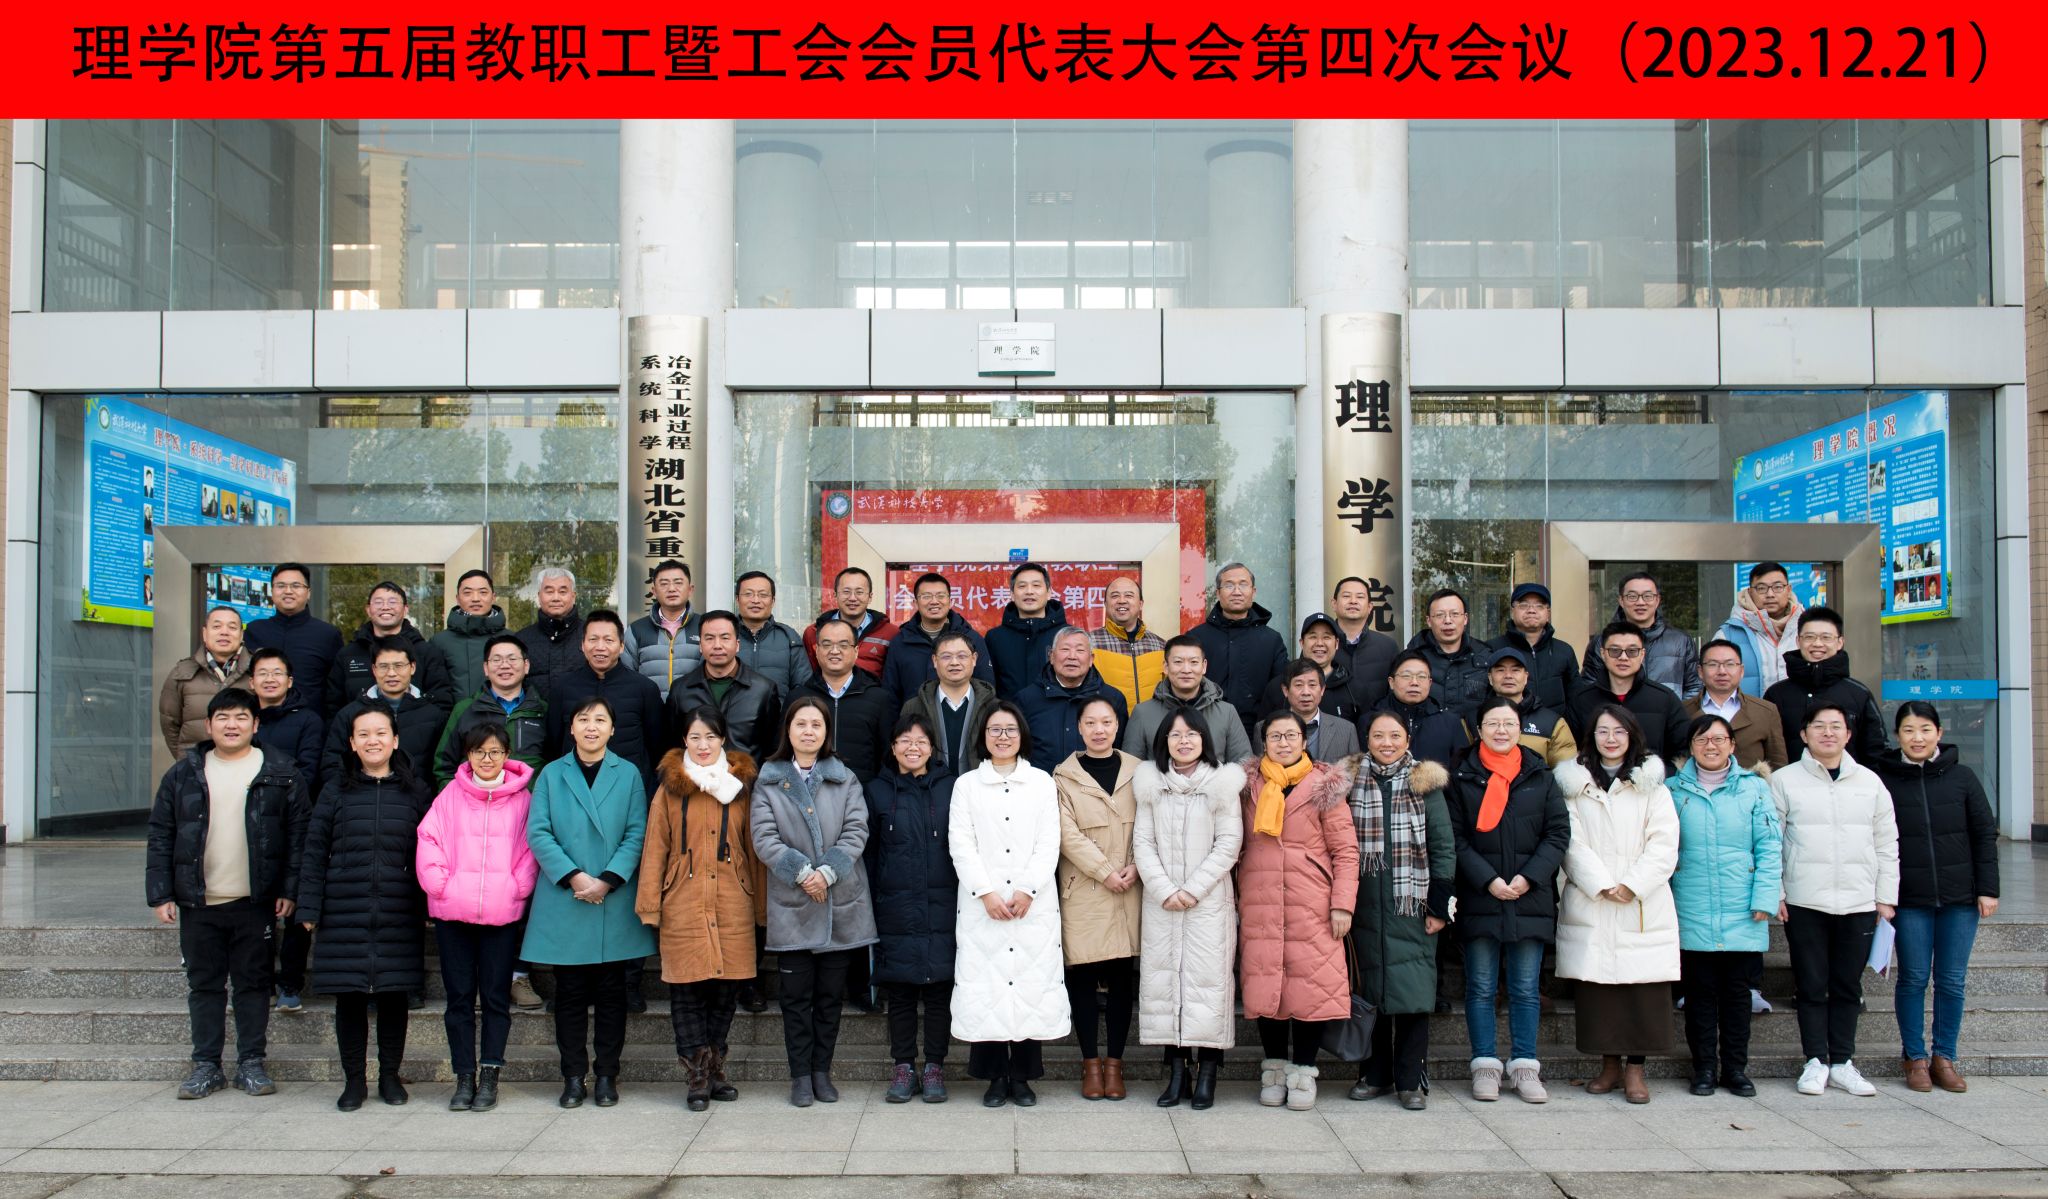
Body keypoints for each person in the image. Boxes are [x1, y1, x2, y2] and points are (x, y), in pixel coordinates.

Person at [146, 687, 307, 1101]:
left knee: (253, 984)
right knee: (204, 984)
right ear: (208, 724)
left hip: (256, 901)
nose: (231, 725)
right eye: (222, 717)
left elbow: (297, 838)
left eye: (240, 718)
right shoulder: (184, 773)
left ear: (256, 724)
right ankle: (206, 1065)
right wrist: (161, 893)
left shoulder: (281, 771)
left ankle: (252, 1062)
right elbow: (162, 834)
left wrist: (289, 889)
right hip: (198, 901)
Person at [523, 696, 657, 1109]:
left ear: (613, 729)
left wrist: (608, 880)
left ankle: (607, 1076)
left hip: (612, 897)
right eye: (584, 719)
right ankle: (573, 1076)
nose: (592, 727)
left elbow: (637, 831)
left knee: (613, 995)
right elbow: (539, 832)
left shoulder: (628, 773)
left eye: (600, 719)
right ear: (571, 727)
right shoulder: (551, 774)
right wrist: (575, 876)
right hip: (567, 894)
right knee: (569, 994)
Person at [298, 702, 431, 1111]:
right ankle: (354, 1081)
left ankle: (390, 1076)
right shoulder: (335, 791)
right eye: (363, 735)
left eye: (380, 733)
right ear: (352, 744)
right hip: (344, 908)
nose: (373, 741)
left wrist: (430, 904)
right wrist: (309, 907)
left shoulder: (416, 791)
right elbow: (314, 850)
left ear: (395, 740)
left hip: (398, 908)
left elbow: (432, 851)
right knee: (350, 999)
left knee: (394, 997)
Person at [636, 707, 763, 1111]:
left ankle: (716, 1067)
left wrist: (761, 906)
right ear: (684, 741)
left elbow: (754, 849)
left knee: (726, 989)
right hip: (683, 899)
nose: (703, 745)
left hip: (732, 898)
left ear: (723, 739)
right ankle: (697, 1073)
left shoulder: (742, 787)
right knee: (687, 989)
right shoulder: (670, 789)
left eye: (710, 737)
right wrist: (650, 904)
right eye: (695, 737)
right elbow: (655, 846)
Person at [753, 696, 877, 1107]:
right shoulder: (769, 779)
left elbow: (857, 829)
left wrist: (827, 873)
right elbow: (764, 837)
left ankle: (822, 1071)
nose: (808, 731)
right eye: (801, 724)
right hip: (793, 902)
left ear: (826, 732)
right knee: (795, 999)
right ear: (787, 731)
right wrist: (803, 873)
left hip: (839, 900)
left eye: (816, 725)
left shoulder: (845, 778)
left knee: (829, 998)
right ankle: (800, 1076)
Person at [1554, 705, 1681, 1105]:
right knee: (1599, 991)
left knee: (1643, 990)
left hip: (1641, 900)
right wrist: (1602, 883)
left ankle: (1635, 1070)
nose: (1611, 739)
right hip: (1592, 896)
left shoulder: (1653, 788)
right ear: (1591, 737)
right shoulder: (1574, 785)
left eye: (1619, 732)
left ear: (1632, 736)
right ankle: (1608, 1065)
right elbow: (1569, 841)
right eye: (1603, 731)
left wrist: (1631, 884)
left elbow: (1664, 844)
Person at [1772, 702, 1899, 1098]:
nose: (1828, 733)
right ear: (1803, 734)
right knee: (1811, 984)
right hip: (1804, 900)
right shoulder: (1783, 780)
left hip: (1859, 901)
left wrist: (1885, 898)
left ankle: (1842, 1062)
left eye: (1836, 726)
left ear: (1848, 734)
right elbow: (1771, 842)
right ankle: (1815, 1061)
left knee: (1847, 985)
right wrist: (1776, 892)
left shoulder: (1870, 782)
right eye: (1819, 726)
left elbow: (1887, 843)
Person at [1446, 696, 1569, 1104]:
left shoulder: (1541, 776)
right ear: (1479, 730)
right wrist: (1488, 880)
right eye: (1493, 723)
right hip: (1481, 894)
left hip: (1529, 896)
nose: (1501, 730)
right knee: (1481, 987)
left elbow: (1557, 834)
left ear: (1520, 730)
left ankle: (1525, 1066)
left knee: (1525, 988)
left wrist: (1528, 877)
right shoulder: (1462, 777)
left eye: (1509, 724)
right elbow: (1455, 838)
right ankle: (1484, 1065)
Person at [1873, 702, 1999, 1094]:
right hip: (1909, 898)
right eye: (1909, 730)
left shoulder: (1962, 777)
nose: (1917, 738)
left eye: (1925, 730)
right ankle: (1915, 1057)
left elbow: (1984, 833)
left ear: (1939, 734)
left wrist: (1988, 888)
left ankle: (1944, 1057)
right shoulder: (1883, 780)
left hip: (1960, 899)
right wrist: (1882, 894)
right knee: (1913, 977)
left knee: (1951, 980)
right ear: (1897, 736)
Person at [949, 701, 1070, 1108]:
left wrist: (1028, 889)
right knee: (988, 989)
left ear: (1022, 736)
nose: (1003, 737)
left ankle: (1022, 1076)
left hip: (1030, 904)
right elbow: (961, 843)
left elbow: (1049, 840)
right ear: (982, 736)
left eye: (1010, 730)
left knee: (1028, 987)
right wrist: (985, 892)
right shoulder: (967, 785)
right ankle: (994, 1077)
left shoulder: (1041, 782)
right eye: (995, 730)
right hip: (982, 904)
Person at [1236, 710, 1357, 1110]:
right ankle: (1272, 1069)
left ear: (1305, 742)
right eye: (1275, 736)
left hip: (1312, 902)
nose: (1283, 743)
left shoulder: (1324, 786)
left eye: (1291, 735)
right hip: (1261, 900)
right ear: (1264, 743)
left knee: (1310, 988)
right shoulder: (1248, 786)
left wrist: (1342, 904)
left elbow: (1345, 851)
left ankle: (1304, 1071)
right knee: (1266, 983)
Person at [416, 722, 537, 1114]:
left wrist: (518, 886)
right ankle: (464, 1076)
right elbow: (428, 838)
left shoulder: (522, 799)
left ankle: (490, 1074)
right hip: (453, 913)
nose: (487, 759)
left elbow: (532, 847)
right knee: (459, 999)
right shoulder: (450, 795)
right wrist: (440, 886)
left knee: (497, 998)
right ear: (468, 755)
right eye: (479, 752)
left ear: (507, 755)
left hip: (502, 914)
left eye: (495, 752)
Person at [1132, 710, 1244, 1110]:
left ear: (1204, 740)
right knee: (1166, 985)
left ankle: (1208, 1072)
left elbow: (1229, 844)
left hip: (1207, 903)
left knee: (1207, 986)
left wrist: (1193, 890)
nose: (1184, 741)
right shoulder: (1151, 784)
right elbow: (1142, 843)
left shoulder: (1221, 784)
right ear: (1164, 741)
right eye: (1176, 734)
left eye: (1192, 734)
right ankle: (1177, 1073)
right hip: (1161, 903)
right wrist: (1165, 889)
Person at [1345, 711, 1453, 1110]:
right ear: (1367, 740)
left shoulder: (1425, 784)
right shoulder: (1351, 782)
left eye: (1395, 736)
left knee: (1413, 993)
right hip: (1364, 905)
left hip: (1412, 903)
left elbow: (1443, 846)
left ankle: (1410, 1080)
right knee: (1370, 993)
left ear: (1407, 740)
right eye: (1378, 736)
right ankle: (1375, 1075)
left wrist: (1439, 905)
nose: (1386, 743)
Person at [1669, 714, 1781, 1098]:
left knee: (1737, 994)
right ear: (1691, 747)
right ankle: (1703, 1068)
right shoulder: (1673, 790)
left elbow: (1769, 845)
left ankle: (1735, 1069)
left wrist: (1765, 897)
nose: (1711, 746)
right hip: (1691, 903)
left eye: (1719, 739)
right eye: (1702, 739)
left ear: (1733, 745)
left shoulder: (1754, 788)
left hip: (1742, 906)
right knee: (1699, 994)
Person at [864, 713, 959, 1104]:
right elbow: (870, 854)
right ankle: (903, 1066)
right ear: (893, 747)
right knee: (901, 991)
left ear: (932, 748)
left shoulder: (952, 787)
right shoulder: (877, 791)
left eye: (921, 740)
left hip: (944, 904)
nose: (913, 747)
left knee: (939, 990)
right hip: (895, 906)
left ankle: (934, 1066)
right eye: (905, 740)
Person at [1052, 697, 1142, 1101]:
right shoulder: (1063, 777)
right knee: (1083, 979)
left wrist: (1137, 865)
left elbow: (1149, 824)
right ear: (1079, 728)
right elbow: (1065, 833)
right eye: (1091, 723)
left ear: (1117, 726)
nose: (1099, 730)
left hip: (1131, 886)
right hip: (1086, 889)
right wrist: (1105, 870)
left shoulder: (1139, 772)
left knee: (1123, 979)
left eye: (1106, 722)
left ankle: (1115, 1065)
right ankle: (1090, 1064)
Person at [547, 610, 667, 798]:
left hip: (628, 792)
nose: (600, 647)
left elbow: (657, 747)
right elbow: (553, 744)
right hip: (574, 789)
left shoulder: (644, 689)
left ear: (621, 646)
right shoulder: (563, 687)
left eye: (609, 640)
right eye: (593, 639)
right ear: (582, 645)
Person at [1763, 606, 1887, 765]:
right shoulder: (1776, 694)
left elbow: (1876, 751)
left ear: (1840, 642)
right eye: (1809, 637)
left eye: (1826, 637)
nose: (1817, 643)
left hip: (1847, 780)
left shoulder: (1858, 694)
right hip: (1789, 780)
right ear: (1798, 641)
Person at [321, 637, 450, 786]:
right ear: (374, 669)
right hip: (362, 796)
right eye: (383, 666)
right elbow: (332, 765)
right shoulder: (350, 714)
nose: (391, 673)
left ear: (412, 667)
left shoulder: (434, 715)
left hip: (419, 797)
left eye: (399, 665)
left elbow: (443, 767)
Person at [1186, 562, 1289, 741]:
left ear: (1253, 591)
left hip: (1257, 734)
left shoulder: (1271, 640)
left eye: (1243, 584)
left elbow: (1280, 692)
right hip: (1204, 731)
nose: (1236, 591)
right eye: (1229, 585)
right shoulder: (1197, 638)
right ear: (1218, 593)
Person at [668, 609, 785, 763]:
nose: (717, 645)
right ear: (700, 645)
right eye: (709, 638)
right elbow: (672, 746)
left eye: (725, 638)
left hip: (747, 777)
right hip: (695, 777)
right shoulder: (681, 690)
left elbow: (772, 748)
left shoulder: (763, 690)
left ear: (737, 645)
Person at [1569, 621, 1691, 766]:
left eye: (1632, 651)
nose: (1623, 657)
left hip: (1650, 779)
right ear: (1603, 653)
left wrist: (1661, 777)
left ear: (1642, 654)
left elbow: (1682, 751)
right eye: (1615, 651)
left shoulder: (1665, 699)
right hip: (1595, 779)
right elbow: (1571, 752)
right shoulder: (1581, 700)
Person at [435, 633, 549, 787]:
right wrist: (455, 797)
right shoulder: (465, 709)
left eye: (512, 659)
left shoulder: (543, 711)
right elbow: (444, 766)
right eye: (496, 660)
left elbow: (555, 763)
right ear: (485, 668)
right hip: (475, 800)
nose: (505, 665)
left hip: (531, 800)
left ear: (526, 665)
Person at [794, 616, 896, 783]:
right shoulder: (798, 698)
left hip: (863, 793)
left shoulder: (879, 699)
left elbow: (888, 756)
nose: (835, 651)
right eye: (827, 644)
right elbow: (783, 751)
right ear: (816, 650)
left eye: (843, 645)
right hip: (808, 792)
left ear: (856, 651)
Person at [1122, 635, 1254, 764]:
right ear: (1166, 667)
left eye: (1194, 662)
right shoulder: (1143, 713)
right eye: (1178, 662)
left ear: (1204, 666)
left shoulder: (1226, 712)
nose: (1186, 670)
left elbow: (1244, 764)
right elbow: (1130, 768)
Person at [327, 581, 455, 712]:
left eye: (392, 602)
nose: (385, 607)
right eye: (378, 602)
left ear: (405, 609)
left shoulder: (426, 653)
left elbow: (441, 703)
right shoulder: (348, 654)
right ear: (368, 610)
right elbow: (333, 705)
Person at [1017, 626, 1130, 771]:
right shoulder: (1027, 699)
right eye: (1065, 649)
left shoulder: (1112, 698)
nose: (1072, 656)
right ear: (1051, 656)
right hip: (1042, 783)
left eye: (1080, 650)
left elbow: (1119, 750)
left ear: (1091, 659)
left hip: (1095, 783)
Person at [1578, 572, 1701, 701]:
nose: (1640, 602)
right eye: (1632, 596)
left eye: (1647, 596)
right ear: (1621, 600)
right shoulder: (1602, 641)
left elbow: (1694, 687)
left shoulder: (1681, 641)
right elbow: (1589, 688)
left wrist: (1675, 712)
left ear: (1657, 600)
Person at [880, 571, 995, 705]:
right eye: (926, 596)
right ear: (915, 603)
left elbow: (986, 688)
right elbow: (890, 694)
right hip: (912, 717)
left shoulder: (971, 639)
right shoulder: (900, 642)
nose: (934, 601)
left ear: (950, 601)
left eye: (940, 596)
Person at [246, 562, 343, 717]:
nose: (288, 591)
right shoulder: (255, 630)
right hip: (261, 722)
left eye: (296, 585)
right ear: (272, 591)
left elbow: (336, 687)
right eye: (281, 586)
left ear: (308, 593)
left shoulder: (328, 634)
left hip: (313, 723)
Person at [159, 607, 254, 759]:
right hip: (196, 766)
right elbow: (169, 723)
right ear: (205, 633)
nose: (224, 632)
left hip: (246, 764)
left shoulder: (257, 671)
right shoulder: (182, 672)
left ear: (241, 635)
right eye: (217, 626)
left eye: (232, 627)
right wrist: (187, 760)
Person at [901, 630, 996, 777]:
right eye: (946, 656)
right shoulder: (914, 707)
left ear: (974, 659)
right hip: (928, 788)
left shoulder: (993, 708)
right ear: (934, 661)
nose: (954, 662)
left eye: (962, 656)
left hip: (980, 788)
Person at [1684, 638, 1789, 772]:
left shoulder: (1765, 711)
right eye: (1713, 664)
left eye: (1730, 664)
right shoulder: (1683, 711)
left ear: (1741, 670)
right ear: (1700, 671)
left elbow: (1778, 766)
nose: (1722, 671)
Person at [1260, 612, 1379, 722]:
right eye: (1313, 637)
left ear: (1337, 643)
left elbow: (1364, 732)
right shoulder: (1279, 686)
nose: (1320, 643)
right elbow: (1263, 730)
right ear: (1302, 643)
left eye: (1326, 637)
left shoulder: (1355, 689)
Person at [1369, 649, 1473, 770]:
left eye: (1421, 676)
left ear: (1430, 683)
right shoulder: (1370, 720)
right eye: (1406, 676)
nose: (1414, 682)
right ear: (1391, 682)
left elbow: (1462, 771)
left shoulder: (1450, 723)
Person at [1476, 646, 1575, 768]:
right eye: (1500, 670)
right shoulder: (1473, 718)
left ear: (1526, 677)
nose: (1508, 675)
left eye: (1515, 670)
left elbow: (1566, 772)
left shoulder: (1552, 723)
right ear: (1490, 678)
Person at [1714, 561, 1804, 696]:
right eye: (1761, 588)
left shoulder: (1806, 630)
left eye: (1778, 587)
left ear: (1789, 589)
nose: (1770, 594)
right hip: (1747, 709)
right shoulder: (1728, 635)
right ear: (1750, 592)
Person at [986, 562, 1070, 698]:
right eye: (1022, 586)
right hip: (1009, 711)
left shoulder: (1068, 635)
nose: (1029, 591)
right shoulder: (995, 638)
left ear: (1049, 593)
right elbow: (987, 686)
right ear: (1012, 595)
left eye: (1036, 585)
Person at [1491, 582, 1578, 713]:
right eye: (1524, 605)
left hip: (1554, 724)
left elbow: (1576, 697)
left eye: (1539, 606)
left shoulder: (1564, 651)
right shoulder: (1492, 649)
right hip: (1508, 724)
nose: (1531, 610)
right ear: (1512, 610)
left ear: (1548, 613)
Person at [1089, 573, 1166, 713]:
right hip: (1108, 724)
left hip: (1152, 725)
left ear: (1140, 604)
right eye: (1115, 596)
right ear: (1105, 604)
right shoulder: (1090, 644)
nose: (1121, 601)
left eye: (1129, 595)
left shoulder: (1161, 646)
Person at [803, 565, 897, 679]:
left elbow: (894, 678)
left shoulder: (890, 633)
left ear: (870, 597)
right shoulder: (813, 632)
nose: (852, 598)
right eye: (846, 592)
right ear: (835, 595)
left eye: (859, 592)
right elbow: (809, 677)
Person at [625, 559, 703, 691]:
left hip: (694, 704)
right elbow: (626, 677)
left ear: (690, 589)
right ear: (654, 591)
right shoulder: (636, 630)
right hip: (650, 704)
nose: (671, 589)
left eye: (678, 583)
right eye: (664, 584)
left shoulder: (704, 626)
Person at [1408, 588, 1491, 711]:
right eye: (1440, 615)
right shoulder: (1412, 657)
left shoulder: (1484, 656)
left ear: (1465, 619)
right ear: (1429, 621)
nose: (1447, 621)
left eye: (1455, 614)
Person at [432, 568, 508, 699]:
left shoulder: (511, 639)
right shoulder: (439, 642)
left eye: (483, 592)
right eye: (467, 593)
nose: (475, 599)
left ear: (493, 597)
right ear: (457, 598)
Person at [249, 648, 321, 785]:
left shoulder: (309, 721)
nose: (269, 679)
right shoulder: (242, 718)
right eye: (262, 673)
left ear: (289, 681)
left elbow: (308, 773)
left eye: (277, 673)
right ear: (252, 682)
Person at [733, 570, 814, 692]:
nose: (755, 600)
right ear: (737, 599)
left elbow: (803, 687)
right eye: (748, 594)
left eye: (763, 595)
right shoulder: (724, 636)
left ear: (773, 601)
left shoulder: (789, 637)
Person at [516, 566, 589, 701]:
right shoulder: (521, 640)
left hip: (583, 714)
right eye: (549, 591)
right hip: (534, 714)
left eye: (562, 592)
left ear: (573, 596)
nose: (556, 598)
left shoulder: (591, 636)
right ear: (539, 596)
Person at [1270, 657, 1361, 761]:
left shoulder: (1346, 730)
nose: (1306, 692)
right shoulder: (1265, 728)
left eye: (1312, 685)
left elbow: (1355, 769)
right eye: (1298, 685)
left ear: (1322, 690)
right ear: (1285, 690)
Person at [1328, 576, 1399, 693]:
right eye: (1346, 596)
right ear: (1334, 604)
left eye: (1360, 597)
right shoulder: (1319, 645)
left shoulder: (1388, 646)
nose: (1353, 601)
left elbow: (1395, 692)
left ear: (1370, 607)